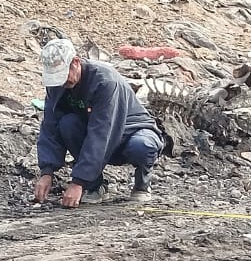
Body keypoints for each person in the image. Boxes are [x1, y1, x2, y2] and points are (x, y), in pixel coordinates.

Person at [33, 37, 164, 207]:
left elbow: (101, 133)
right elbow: (50, 126)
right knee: (67, 124)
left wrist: (78, 182)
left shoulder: (105, 82)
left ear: (76, 62)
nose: (62, 82)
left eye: (63, 75)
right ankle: (95, 186)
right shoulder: (57, 84)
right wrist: (46, 171)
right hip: (96, 132)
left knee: (142, 146)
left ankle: (142, 185)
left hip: (130, 132)